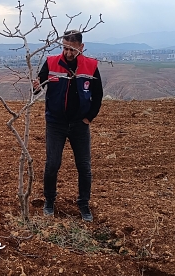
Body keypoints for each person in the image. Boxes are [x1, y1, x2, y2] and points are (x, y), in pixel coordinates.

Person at [33, 30, 103, 222]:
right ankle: (49, 201)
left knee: (84, 167)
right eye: (65, 48)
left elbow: (98, 95)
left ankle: (83, 203)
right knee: (52, 164)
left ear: (81, 47)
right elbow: (39, 85)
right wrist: (36, 86)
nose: (68, 53)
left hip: (80, 125)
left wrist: (89, 118)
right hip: (55, 123)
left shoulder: (91, 66)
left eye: (72, 49)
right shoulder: (51, 62)